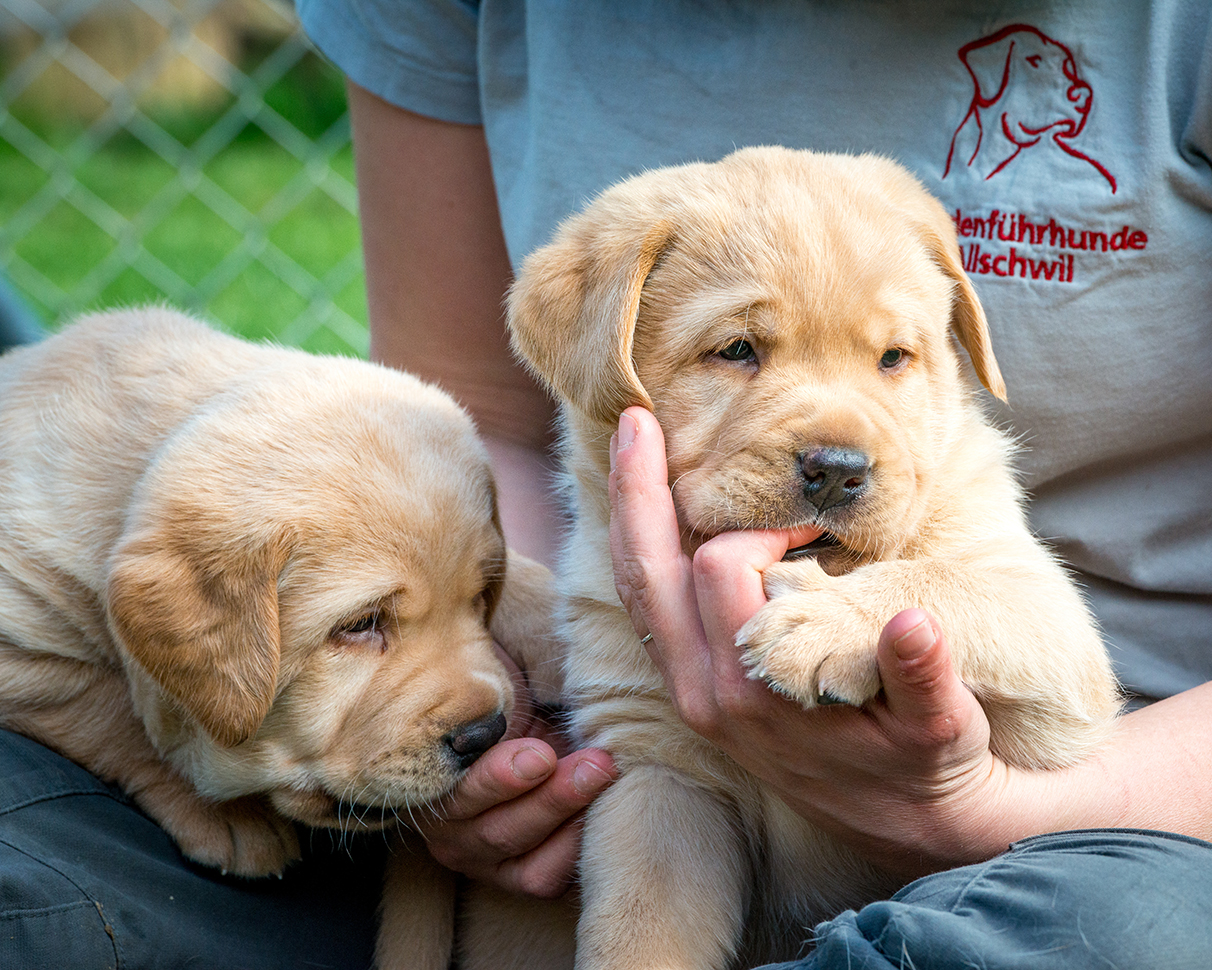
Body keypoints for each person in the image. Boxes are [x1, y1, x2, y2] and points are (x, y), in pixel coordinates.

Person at [294, 1, 1212, 965]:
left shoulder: (950, 495)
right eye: (738, 350)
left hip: (1081, 839)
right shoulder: (616, 531)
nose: (835, 445)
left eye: (893, 356)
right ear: (600, 355)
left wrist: (886, 624)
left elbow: (1066, 685)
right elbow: (659, 795)